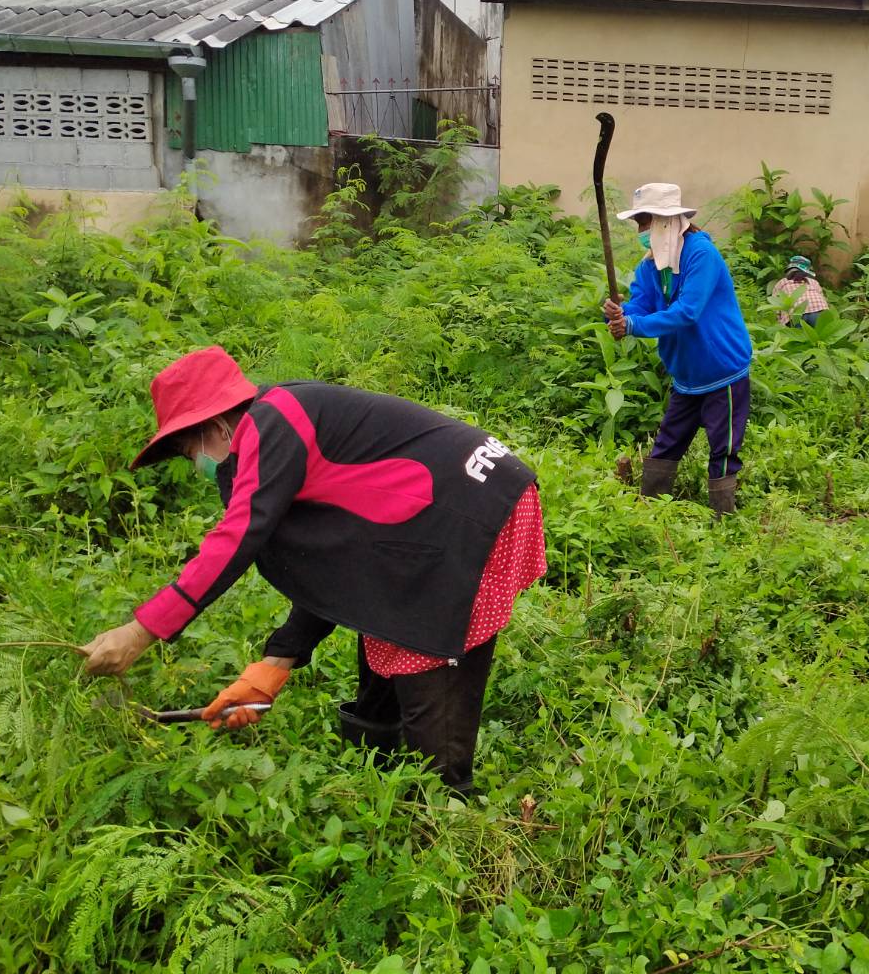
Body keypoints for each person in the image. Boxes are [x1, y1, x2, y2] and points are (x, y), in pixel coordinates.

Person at [77, 345, 545, 795]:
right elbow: (345, 567)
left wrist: (141, 631)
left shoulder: (271, 424)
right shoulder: (274, 434)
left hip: (469, 507)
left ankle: (447, 805)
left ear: (216, 425)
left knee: (422, 639)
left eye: (187, 449)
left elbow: (237, 538)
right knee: (387, 614)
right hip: (431, 511)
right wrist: (274, 665)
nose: (194, 462)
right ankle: (377, 780)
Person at [602, 183, 753, 517]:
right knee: (668, 441)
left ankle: (723, 517)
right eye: (638, 224)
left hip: (722, 369)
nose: (641, 233)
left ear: (666, 222)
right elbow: (640, 305)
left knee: (723, 447)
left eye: (645, 224)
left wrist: (632, 326)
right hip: (686, 373)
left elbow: (688, 311)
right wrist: (619, 315)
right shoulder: (650, 266)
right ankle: (650, 509)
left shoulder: (701, 254)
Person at [770, 255, 830, 327]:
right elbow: (822, 297)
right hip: (818, 307)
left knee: (797, 336)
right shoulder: (813, 282)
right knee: (820, 336)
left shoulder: (782, 283)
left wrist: (779, 321)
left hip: (796, 313)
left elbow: (775, 303)